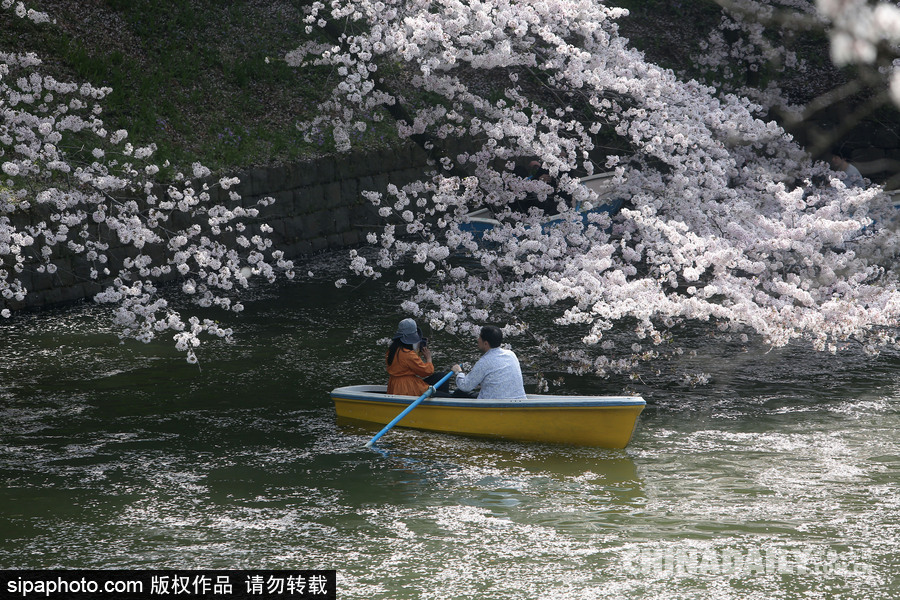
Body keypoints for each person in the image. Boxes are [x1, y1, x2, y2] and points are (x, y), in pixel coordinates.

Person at [451, 325, 527, 400]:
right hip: (519, 400)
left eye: (480, 337)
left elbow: (465, 386)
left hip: (494, 403)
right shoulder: (511, 354)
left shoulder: (484, 362)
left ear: (486, 343)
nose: (478, 340)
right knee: (460, 393)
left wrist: (458, 372)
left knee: (458, 392)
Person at [386, 318, 452, 396]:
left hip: (395, 384)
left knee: (442, 376)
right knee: (447, 396)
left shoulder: (392, 350)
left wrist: (417, 352)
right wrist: (428, 358)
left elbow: (408, 364)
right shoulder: (408, 354)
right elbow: (426, 371)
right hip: (408, 388)